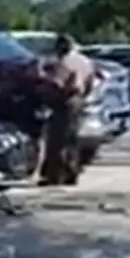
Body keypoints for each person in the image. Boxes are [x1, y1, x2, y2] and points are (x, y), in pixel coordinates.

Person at [35, 33, 95, 186]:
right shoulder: (85, 61)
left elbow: (57, 84)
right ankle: (71, 172)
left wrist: (42, 76)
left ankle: (54, 176)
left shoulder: (64, 63)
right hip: (79, 102)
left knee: (57, 140)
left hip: (64, 102)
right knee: (72, 139)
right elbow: (90, 83)